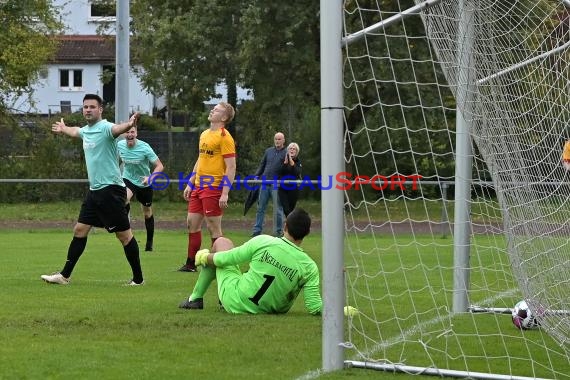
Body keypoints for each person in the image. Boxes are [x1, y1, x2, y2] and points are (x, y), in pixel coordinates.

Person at [41, 94, 144, 286]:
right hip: (95, 191)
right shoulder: (86, 131)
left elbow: (117, 129)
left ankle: (138, 280)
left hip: (111, 191)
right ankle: (64, 276)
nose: (88, 110)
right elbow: (75, 131)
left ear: (100, 110)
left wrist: (129, 124)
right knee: (79, 230)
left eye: (92, 107)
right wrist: (64, 129)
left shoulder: (105, 128)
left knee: (124, 236)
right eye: (85, 107)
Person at [179, 208, 322, 315]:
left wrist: (204, 257)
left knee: (222, 242)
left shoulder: (263, 241)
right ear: (308, 232)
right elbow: (314, 307)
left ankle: (195, 299)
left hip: (236, 301)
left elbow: (227, 258)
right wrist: (342, 309)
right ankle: (203, 300)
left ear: (285, 226)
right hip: (271, 311)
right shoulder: (309, 267)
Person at [178, 102, 237, 272]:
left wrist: (225, 192)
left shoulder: (225, 137)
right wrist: (191, 182)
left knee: (213, 227)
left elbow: (231, 167)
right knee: (191, 223)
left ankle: (220, 263)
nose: (212, 110)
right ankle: (190, 264)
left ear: (224, 117)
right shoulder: (204, 134)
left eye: (217, 109)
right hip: (199, 186)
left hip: (214, 187)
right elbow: (200, 159)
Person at [117, 125, 164, 252]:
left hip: (144, 182)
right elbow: (118, 161)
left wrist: (151, 178)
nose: (130, 134)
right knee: (123, 200)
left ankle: (149, 243)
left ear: (136, 133)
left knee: (147, 212)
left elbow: (160, 166)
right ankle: (128, 235)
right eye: (127, 132)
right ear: (123, 134)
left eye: (132, 132)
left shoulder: (144, 147)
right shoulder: (120, 145)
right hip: (128, 178)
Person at [251, 132, 287, 237]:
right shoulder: (268, 151)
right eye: (276, 139)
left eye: (279, 139)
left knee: (278, 209)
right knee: (260, 208)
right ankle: (257, 231)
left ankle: (278, 232)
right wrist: (257, 175)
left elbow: (287, 169)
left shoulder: (286, 153)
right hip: (264, 183)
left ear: (283, 140)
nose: (277, 141)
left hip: (276, 184)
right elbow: (262, 165)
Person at [278, 142, 302, 217]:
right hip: (283, 188)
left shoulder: (298, 161)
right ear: (288, 150)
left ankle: (289, 226)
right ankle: (288, 225)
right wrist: (285, 163)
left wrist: (292, 162)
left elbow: (297, 172)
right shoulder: (283, 160)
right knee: (286, 209)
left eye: (294, 149)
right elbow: (280, 172)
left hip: (293, 188)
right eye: (290, 149)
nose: (292, 150)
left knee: (291, 209)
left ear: (296, 151)